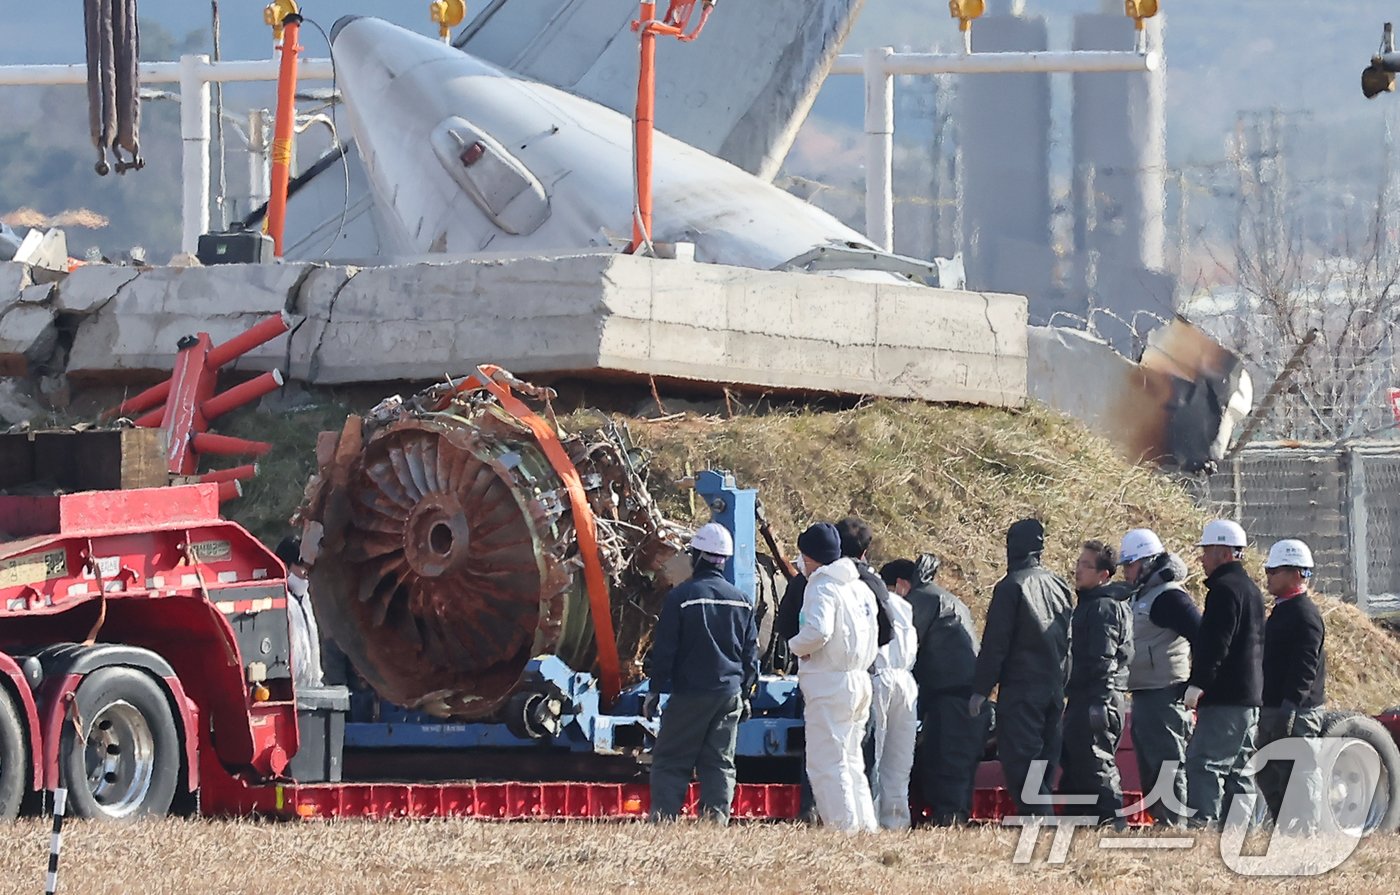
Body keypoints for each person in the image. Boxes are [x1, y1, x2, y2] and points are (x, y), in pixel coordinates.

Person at [647, 522, 760, 823]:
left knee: (671, 759)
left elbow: (665, 650)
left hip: (691, 694)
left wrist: (655, 689)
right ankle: (716, 823)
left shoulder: (682, 597)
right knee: (720, 763)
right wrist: (748, 693)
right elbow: (751, 654)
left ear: (697, 555)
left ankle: (663, 821)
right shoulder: (742, 601)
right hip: (729, 694)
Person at [970, 518, 1074, 816]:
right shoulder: (1059, 585)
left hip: (1021, 691)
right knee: (1043, 766)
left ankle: (1040, 827)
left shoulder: (1011, 586)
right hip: (1054, 690)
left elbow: (996, 644)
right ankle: (1042, 823)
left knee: (1022, 766)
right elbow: (1068, 641)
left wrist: (981, 688)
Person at [881, 554, 986, 826]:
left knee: (947, 762)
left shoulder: (920, 602)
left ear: (901, 584)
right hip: (966, 696)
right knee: (955, 763)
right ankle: (952, 818)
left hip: (950, 696)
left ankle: (949, 820)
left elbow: (902, 649)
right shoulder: (946, 598)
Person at [789, 522, 880, 833]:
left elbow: (818, 630)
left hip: (830, 683)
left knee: (826, 762)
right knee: (852, 760)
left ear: (812, 556)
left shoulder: (822, 585)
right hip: (859, 681)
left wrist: (795, 646)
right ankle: (864, 825)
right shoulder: (859, 587)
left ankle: (843, 828)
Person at [835, 518, 917, 831]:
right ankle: (895, 821)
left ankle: (870, 819)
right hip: (905, 680)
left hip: (877, 675)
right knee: (899, 761)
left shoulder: (848, 587)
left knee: (872, 756)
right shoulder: (894, 597)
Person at [1184, 519, 1265, 828]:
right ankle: (1241, 832)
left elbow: (1217, 643)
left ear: (1222, 552)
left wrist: (1198, 683)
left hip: (1226, 698)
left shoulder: (1223, 590)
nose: (1202, 558)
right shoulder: (1251, 590)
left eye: (1206, 551)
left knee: (1204, 764)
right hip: (1248, 697)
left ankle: (1203, 827)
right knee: (1240, 770)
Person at [1119, 528, 1201, 827]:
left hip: (1164, 693)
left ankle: (1175, 825)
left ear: (1147, 562)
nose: (1126, 572)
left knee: (1167, 763)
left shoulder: (1170, 598)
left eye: (1129, 565)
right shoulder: (1142, 595)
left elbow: (1202, 636)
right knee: (1150, 765)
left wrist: (1197, 681)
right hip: (1144, 692)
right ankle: (1162, 821)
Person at [1058, 540, 1133, 826]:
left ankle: (1114, 824)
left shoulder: (1103, 608)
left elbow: (1105, 657)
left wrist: (1099, 702)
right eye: (1078, 563)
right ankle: (1084, 823)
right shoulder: (1091, 605)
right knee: (1078, 765)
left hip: (1098, 696)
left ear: (1104, 574)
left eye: (1086, 565)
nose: (1078, 569)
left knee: (1096, 763)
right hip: (1086, 696)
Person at [1257, 538, 1327, 828]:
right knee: (1270, 771)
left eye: (1275, 571)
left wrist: (1290, 706)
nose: (1268, 576)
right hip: (1274, 705)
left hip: (1297, 710)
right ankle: (1284, 825)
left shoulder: (1305, 615)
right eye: (1268, 570)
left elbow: (1305, 665)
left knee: (1301, 770)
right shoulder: (1282, 610)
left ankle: (1307, 830)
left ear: (1297, 573)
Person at [275, 535, 324, 690]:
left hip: (309, 686)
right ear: (284, 566)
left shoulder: (304, 598)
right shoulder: (281, 601)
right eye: (301, 565)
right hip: (290, 686)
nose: (306, 571)